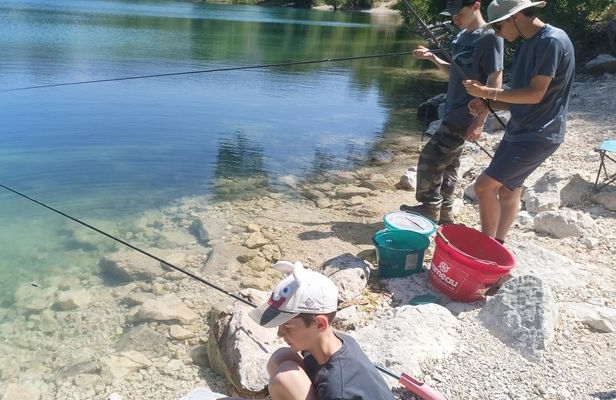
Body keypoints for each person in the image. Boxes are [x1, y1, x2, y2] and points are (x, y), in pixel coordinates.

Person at [463, 0, 575, 244]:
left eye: (498, 26)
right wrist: (488, 104)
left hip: (539, 135)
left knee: (483, 187)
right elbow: (520, 98)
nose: (496, 33)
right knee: (508, 189)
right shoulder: (528, 44)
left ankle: (486, 247)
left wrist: (487, 92)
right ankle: (498, 244)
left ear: (515, 17)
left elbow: (535, 94)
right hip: (519, 130)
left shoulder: (552, 41)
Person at [222, 261, 393, 400]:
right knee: (281, 357)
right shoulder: (334, 343)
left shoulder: (338, 390)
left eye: (287, 327)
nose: (280, 334)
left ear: (320, 324)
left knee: (284, 379)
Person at [400, 0, 504, 224]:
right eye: (452, 14)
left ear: (476, 6)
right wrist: (432, 58)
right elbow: (455, 71)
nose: (455, 18)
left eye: (460, 13)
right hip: (451, 109)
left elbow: (495, 80)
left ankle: (429, 207)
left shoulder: (490, 37)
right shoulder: (462, 37)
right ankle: (445, 213)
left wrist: (480, 121)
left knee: (430, 158)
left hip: (466, 113)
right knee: (449, 164)